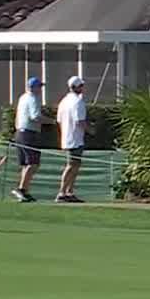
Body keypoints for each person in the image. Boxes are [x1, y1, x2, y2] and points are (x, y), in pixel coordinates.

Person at [11, 75, 46, 202]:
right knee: (33, 163)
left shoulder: (23, 97)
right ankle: (21, 189)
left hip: (20, 132)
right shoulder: (33, 98)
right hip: (29, 133)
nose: (41, 89)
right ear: (34, 88)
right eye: (39, 87)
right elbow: (35, 116)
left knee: (26, 164)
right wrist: (51, 121)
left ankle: (24, 190)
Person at [55, 74, 89, 203]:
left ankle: (69, 191)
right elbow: (80, 121)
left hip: (68, 137)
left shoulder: (63, 101)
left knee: (75, 165)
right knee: (71, 165)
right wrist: (90, 130)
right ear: (76, 87)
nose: (82, 88)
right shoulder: (77, 102)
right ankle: (62, 192)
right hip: (75, 138)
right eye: (81, 86)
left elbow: (59, 121)